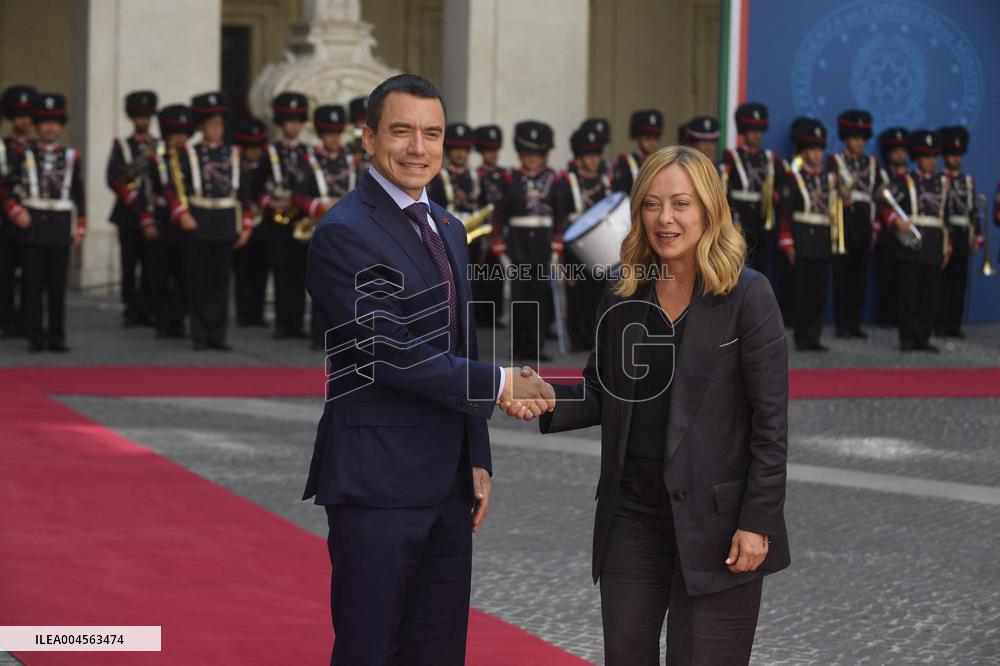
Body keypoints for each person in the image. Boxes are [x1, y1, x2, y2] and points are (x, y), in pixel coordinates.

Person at [303, 73, 555, 664]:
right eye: (402, 131)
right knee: (372, 648)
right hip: (377, 483)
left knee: (437, 647)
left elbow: (460, 342)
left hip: (447, 483)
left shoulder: (448, 227)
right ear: (367, 138)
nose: (419, 147)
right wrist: (499, 385)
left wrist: (477, 456)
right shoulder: (344, 232)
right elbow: (387, 351)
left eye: (432, 133)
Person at [539, 145, 789, 665]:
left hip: (721, 525)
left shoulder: (748, 296)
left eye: (681, 203)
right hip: (631, 516)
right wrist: (537, 397)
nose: (665, 218)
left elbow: (771, 423)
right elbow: (601, 391)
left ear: (709, 210)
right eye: (651, 204)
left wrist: (757, 521)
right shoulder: (623, 296)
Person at [170, 91, 253, 351]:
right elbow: (173, 187)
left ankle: (218, 334)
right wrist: (181, 213)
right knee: (198, 282)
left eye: (219, 123)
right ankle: (199, 334)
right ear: (202, 127)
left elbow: (244, 193)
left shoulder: (233, 153)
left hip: (225, 221)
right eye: (211, 124)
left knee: (220, 283)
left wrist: (246, 224)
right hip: (199, 220)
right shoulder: (188, 153)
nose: (216, 129)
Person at [4, 93, 86, 352]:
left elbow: (78, 194)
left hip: (60, 223)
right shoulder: (23, 153)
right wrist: (15, 210)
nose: (51, 127)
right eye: (45, 122)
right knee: (33, 283)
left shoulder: (71, 156)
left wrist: (80, 226)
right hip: (34, 223)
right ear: (37, 124)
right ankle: (35, 334)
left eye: (55, 122)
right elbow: (5, 187)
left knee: (57, 285)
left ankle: (57, 335)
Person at [491, 120, 568, 361]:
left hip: (543, 245)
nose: (533, 159)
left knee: (540, 296)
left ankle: (536, 344)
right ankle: (519, 344)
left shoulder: (555, 180)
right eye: (528, 154)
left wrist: (557, 247)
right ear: (519, 153)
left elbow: (559, 216)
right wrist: (500, 249)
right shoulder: (509, 178)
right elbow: (499, 216)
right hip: (518, 244)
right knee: (520, 295)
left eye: (538, 154)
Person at [290, 103, 357, 350]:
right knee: (322, 283)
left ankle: (344, 335)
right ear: (320, 134)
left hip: (348, 232)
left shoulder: (352, 161)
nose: (333, 138)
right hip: (319, 229)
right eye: (329, 133)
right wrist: (320, 205)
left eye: (337, 133)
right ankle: (320, 336)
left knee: (347, 285)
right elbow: (297, 196)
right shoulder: (308, 161)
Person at [884, 129, 949, 352]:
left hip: (934, 244)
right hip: (910, 246)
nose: (930, 162)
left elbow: (946, 217)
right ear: (917, 158)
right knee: (908, 294)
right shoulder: (904, 181)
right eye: (925, 157)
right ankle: (907, 338)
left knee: (929, 296)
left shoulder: (944, 183)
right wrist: (895, 221)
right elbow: (885, 205)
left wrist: (947, 245)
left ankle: (923, 336)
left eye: (933, 157)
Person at [778, 117, 835, 352]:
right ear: (803, 151)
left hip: (822, 238)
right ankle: (801, 336)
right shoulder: (793, 177)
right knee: (800, 291)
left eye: (820, 149)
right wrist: (787, 241)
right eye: (812, 149)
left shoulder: (829, 179)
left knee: (819, 292)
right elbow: (785, 211)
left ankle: (815, 335)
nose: (817, 154)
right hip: (801, 238)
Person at [828, 109, 882, 339]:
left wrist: (876, 227)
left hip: (864, 225)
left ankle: (855, 323)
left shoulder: (872, 163)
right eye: (854, 138)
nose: (859, 142)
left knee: (860, 279)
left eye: (862, 138)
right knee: (843, 278)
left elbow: (880, 197)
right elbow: (827, 192)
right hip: (843, 225)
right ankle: (841, 324)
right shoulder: (835, 161)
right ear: (846, 138)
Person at [142, 103, 194, 339]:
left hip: (185, 220)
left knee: (185, 274)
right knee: (160, 275)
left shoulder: (191, 157)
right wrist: (147, 221)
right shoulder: (155, 157)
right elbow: (146, 191)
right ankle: (162, 320)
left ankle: (180, 318)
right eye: (175, 133)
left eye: (184, 132)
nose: (180, 137)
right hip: (162, 218)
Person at [106, 90, 158, 327]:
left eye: (146, 116)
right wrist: (135, 202)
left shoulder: (158, 146)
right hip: (127, 214)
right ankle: (130, 308)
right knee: (129, 265)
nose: (143, 121)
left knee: (150, 263)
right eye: (139, 116)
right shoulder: (122, 145)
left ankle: (148, 306)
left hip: (152, 214)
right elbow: (113, 178)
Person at [264, 91, 310, 339]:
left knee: (301, 272)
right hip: (278, 220)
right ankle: (283, 323)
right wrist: (271, 204)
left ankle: (297, 322)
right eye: (290, 121)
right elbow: (257, 185)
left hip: (302, 219)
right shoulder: (269, 152)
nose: (294, 126)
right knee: (282, 272)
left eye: (298, 121)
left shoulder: (308, 153)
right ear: (282, 123)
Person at [564, 118, 613, 351]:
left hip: (599, 243)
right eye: (589, 154)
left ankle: (595, 337)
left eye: (597, 154)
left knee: (598, 291)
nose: (594, 159)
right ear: (580, 156)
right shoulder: (568, 180)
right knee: (575, 292)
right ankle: (576, 337)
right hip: (573, 247)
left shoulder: (605, 179)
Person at [721, 102, 780, 278]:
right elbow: (726, 191)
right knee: (738, 267)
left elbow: (782, 188)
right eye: (752, 130)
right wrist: (732, 220)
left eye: (759, 130)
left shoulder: (769, 158)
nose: (757, 135)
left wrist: (774, 196)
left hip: (762, 222)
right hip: (741, 220)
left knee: (761, 270)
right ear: (744, 131)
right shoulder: (731, 156)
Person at [937, 125, 981, 338]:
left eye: (959, 155)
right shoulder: (940, 180)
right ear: (944, 156)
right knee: (940, 283)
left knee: (959, 283)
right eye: (952, 155)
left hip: (963, 234)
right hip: (946, 233)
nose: (957, 159)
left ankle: (954, 324)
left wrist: (977, 235)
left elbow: (973, 210)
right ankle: (938, 323)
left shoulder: (968, 181)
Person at [0, 84, 36, 339]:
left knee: (33, 273)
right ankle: (5, 320)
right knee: (5, 271)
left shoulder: (38, 148)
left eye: (27, 115)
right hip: (5, 217)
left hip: (34, 217)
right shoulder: (3, 146)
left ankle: (28, 319)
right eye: (18, 115)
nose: (23, 121)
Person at [231, 117, 271, 328]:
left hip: (262, 223)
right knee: (242, 269)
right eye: (250, 148)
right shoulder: (236, 165)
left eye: (257, 148)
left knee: (261, 269)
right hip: (241, 222)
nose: (254, 152)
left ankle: (257, 313)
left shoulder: (266, 165)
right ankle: (243, 313)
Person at [873, 127, 909, 328]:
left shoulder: (911, 178)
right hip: (887, 233)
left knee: (904, 279)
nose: (899, 154)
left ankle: (900, 315)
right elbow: (877, 203)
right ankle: (885, 315)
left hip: (906, 233)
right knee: (885, 277)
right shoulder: (881, 175)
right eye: (895, 150)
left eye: (903, 149)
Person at [473, 124, 508, 327]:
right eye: (488, 151)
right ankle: (479, 314)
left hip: (499, 229)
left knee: (497, 273)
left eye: (495, 151)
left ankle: (494, 314)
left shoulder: (505, 175)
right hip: (481, 229)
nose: (492, 155)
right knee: (479, 272)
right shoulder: (477, 176)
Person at [613, 109, 663, 194]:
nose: (652, 142)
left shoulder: (660, 161)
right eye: (647, 137)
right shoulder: (626, 162)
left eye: (656, 137)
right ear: (639, 137)